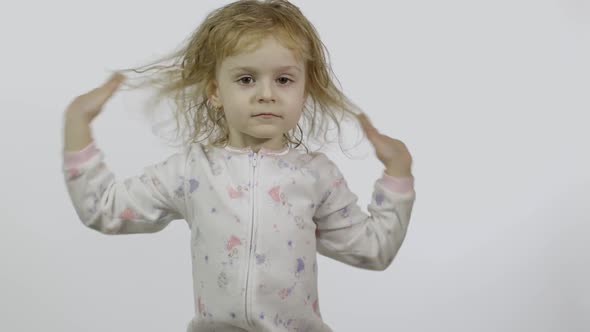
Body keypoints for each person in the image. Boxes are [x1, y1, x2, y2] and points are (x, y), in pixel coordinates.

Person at [61, 1, 416, 331]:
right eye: (246, 79)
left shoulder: (316, 175)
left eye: (284, 79)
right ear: (215, 92)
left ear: (304, 92)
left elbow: (373, 250)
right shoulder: (192, 171)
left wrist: (397, 173)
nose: (267, 94)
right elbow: (104, 209)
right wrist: (77, 125)